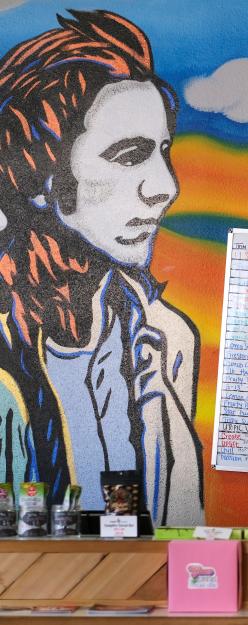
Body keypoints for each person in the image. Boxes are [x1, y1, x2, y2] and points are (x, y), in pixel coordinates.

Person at [0, 10, 203, 525]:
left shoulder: (165, 340)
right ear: (41, 174)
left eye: (162, 151)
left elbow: (179, 525)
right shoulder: (9, 364)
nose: (166, 187)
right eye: (129, 154)